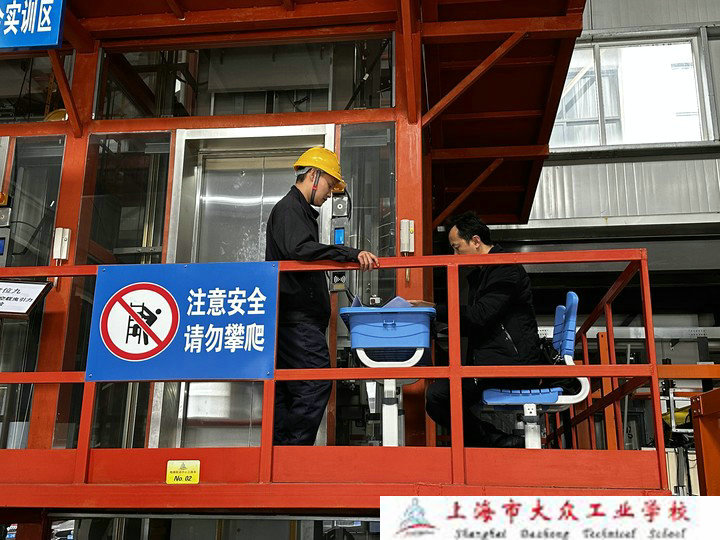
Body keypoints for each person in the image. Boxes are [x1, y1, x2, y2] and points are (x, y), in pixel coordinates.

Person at [265, 146, 379, 445]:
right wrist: (347, 254)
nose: (330, 193)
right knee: (315, 383)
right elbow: (299, 249)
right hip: (297, 321)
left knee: (290, 389)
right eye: (330, 184)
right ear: (313, 175)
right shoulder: (290, 209)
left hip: (296, 320)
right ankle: (292, 449)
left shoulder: (300, 211)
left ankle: (282, 452)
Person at [422, 211, 542, 448]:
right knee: (439, 395)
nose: (454, 255)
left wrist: (435, 309)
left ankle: (497, 442)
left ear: (476, 241)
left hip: (511, 364)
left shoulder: (504, 268)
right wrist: (438, 323)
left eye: (457, 248)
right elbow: (479, 320)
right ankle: (496, 442)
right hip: (495, 360)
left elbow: (480, 315)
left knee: (438, 396)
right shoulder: (486, 272)